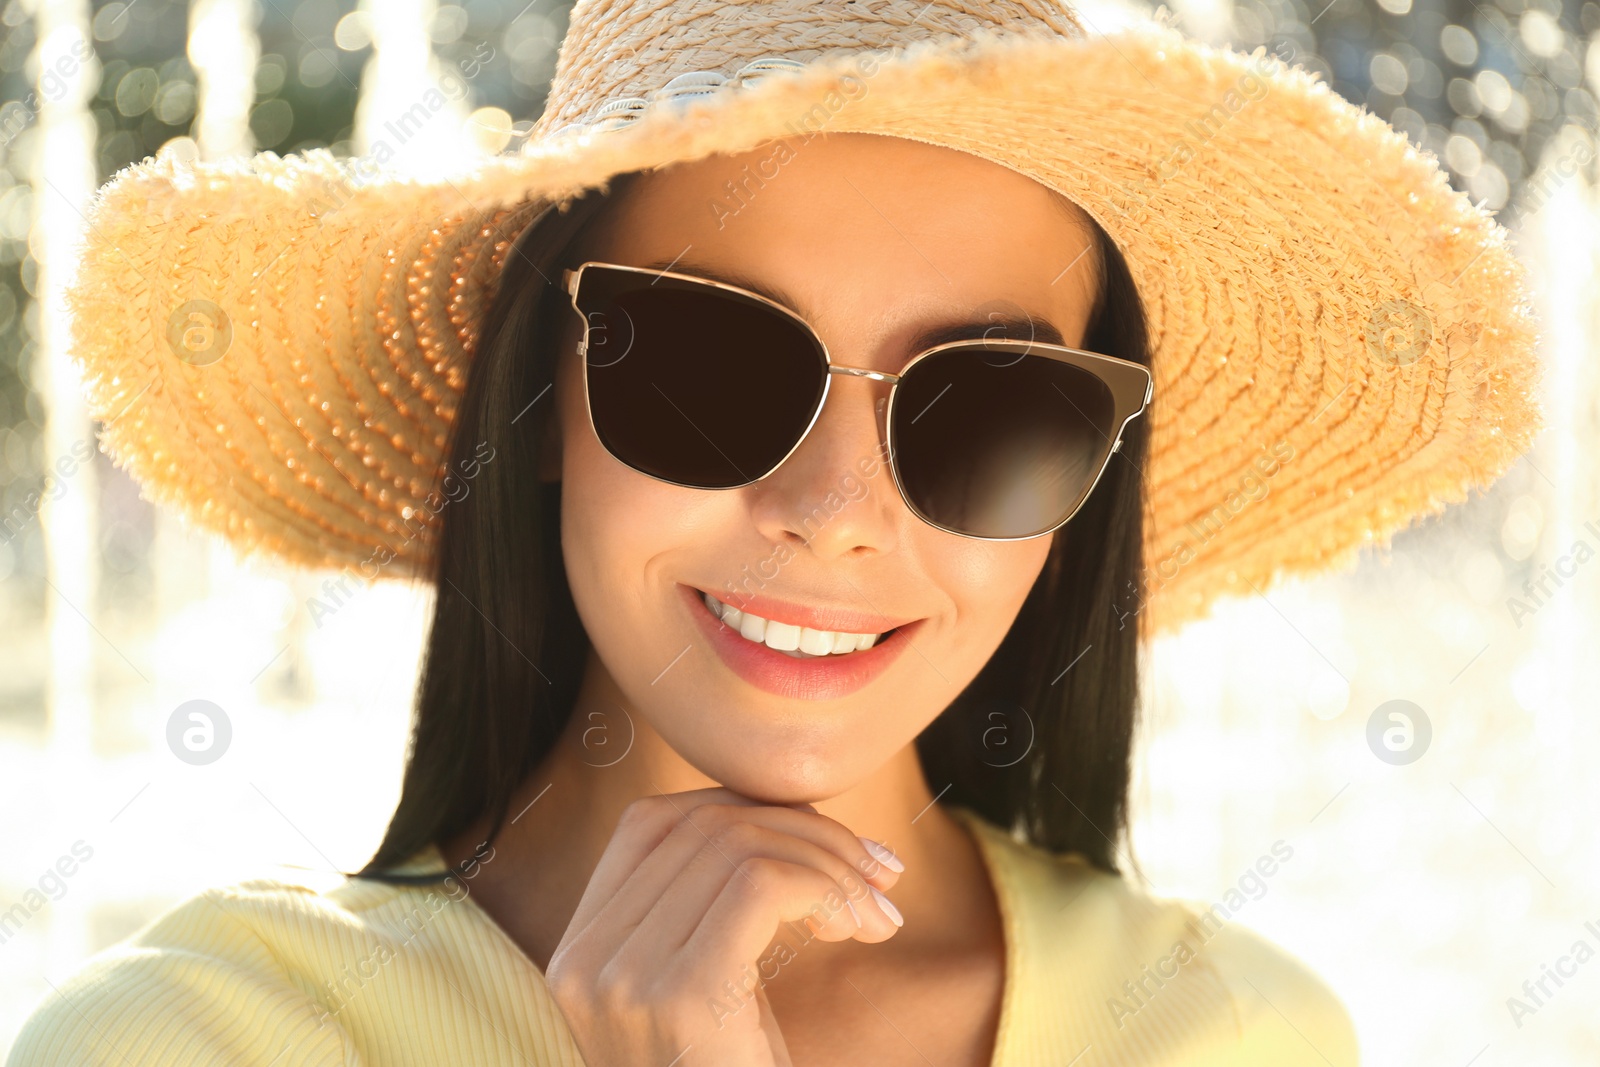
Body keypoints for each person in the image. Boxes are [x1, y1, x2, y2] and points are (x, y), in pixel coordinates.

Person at [9, 0, 1541, 1064]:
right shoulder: (198, 1044)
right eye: (708, 366)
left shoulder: (1236, 1035)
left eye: (996, 414)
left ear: (1081, 501)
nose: (831, 514)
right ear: (539, 408)